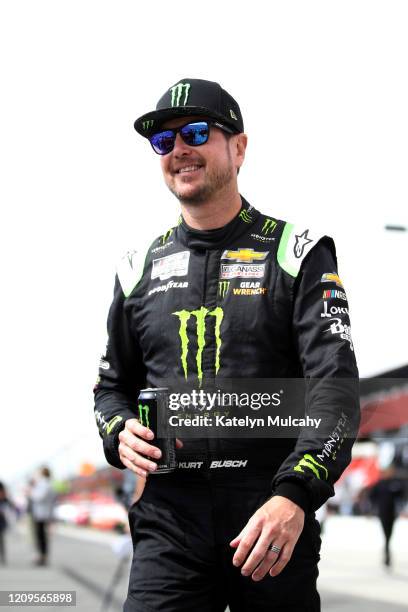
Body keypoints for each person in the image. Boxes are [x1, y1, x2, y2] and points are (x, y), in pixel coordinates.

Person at [94, 78, 360, 611]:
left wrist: (296, 495)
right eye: (163, 141)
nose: (179, 150)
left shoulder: (298, 252)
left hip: (269, 514)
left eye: (195, 133)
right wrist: (119, 431)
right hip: (170, 520)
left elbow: (334, 388)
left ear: (238, 148)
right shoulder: (136, 268)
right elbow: (111, 387)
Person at [368, 466, 405, 567]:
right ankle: (387, 551)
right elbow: (371, 496)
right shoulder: (379, 484)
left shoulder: (395, 483)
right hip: (382, 513)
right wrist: (373, 508)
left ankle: (387, 550)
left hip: (392, 513)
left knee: (389, 534)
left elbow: (401, 496)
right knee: (386, 534)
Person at [30, 467, 55, 566]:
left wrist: (30, 492)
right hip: (43, 513)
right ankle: (42, 555)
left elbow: (39, 497)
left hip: (42, 513)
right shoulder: (47, 483)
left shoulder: (44, 484)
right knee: (41, 536)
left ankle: (42, 556)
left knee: (41, 536)